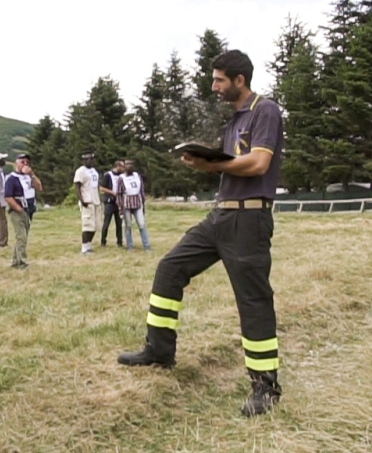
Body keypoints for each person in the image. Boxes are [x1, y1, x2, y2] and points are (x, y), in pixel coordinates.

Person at [117, 50, 285, 416]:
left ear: (240, 80)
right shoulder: (233, 122)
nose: (214, 86)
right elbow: (232, 166)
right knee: (170, 268)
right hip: (220, 216)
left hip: (249, 219)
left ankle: (265, 387)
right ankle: (159, 351)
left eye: (220, 80)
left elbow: (258, 163)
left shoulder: (265, 110)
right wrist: (207, 161)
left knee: (252, 300)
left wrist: (210, 163)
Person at [4, 153, 42, 269]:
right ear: (16, 163)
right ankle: (22, 261)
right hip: (18, 210)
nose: (25, 164)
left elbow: (39, 187)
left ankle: (16, 260)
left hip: (29, 209)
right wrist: (18, 209)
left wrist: (32, 175)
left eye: (27, 162)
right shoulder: (11, 178)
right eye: (22, 162)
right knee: (21, 236)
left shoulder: (28, 177)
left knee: (23, 235)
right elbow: (8, 196)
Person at [74, 152, 103, 254]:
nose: (92, 161)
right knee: (87, 225)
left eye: (92, 159)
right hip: (87, 200)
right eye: (89, 159)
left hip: (95, 200)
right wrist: (82, 200)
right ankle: (84, 247)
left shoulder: (94, 171)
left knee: (95, 225)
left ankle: (89, 244)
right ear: (84, 161)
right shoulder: (80, 171)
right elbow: (77, 186)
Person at [119, 159, 150, 250]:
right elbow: (119, 194)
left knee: (141, 224)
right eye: (127, 165)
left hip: (137, 204)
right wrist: (120, 208)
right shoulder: (121, 178)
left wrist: (143, 204)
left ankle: (146, 246)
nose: (129, 166)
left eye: (131, 165)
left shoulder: (137, 176)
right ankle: (130, 246)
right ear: (124, 167)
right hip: (126, 205)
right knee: (128, 226)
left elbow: (141, 190)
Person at [100, 160, 125, 247]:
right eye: (122, 167)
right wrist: (113, 192)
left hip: (119, 202)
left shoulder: (121, 176)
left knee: (119, 223)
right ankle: (103, 241)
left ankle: (120, 242)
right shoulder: (108, 175)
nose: (123, 169)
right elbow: (102, 188)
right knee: (106, 222)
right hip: (110, 202)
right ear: (117, 166)